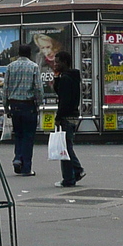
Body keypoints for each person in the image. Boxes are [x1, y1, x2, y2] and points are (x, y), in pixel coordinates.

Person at [4, 43, 40, 176]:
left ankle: (18, 158)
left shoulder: (10, 67)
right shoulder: (34, 67)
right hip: (28, 105)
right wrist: (39, 103)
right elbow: (38, 88)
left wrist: (6, 106)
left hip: (14, 105)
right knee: (28, 136)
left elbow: (5, 88)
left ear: (19, 53)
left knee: (18, 134)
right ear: (29, 53)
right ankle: (26, 167)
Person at [52, 50, 85, 187]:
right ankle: (76, 171)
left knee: (64, 148)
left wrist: (58, 117)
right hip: (73, 114)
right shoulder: (72, 77)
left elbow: (63, 100)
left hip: (66, 115)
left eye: (57, 62)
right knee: (67, 145)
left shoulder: (66, 79)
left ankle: (70, 177)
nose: (55, 64)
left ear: (64, 62)